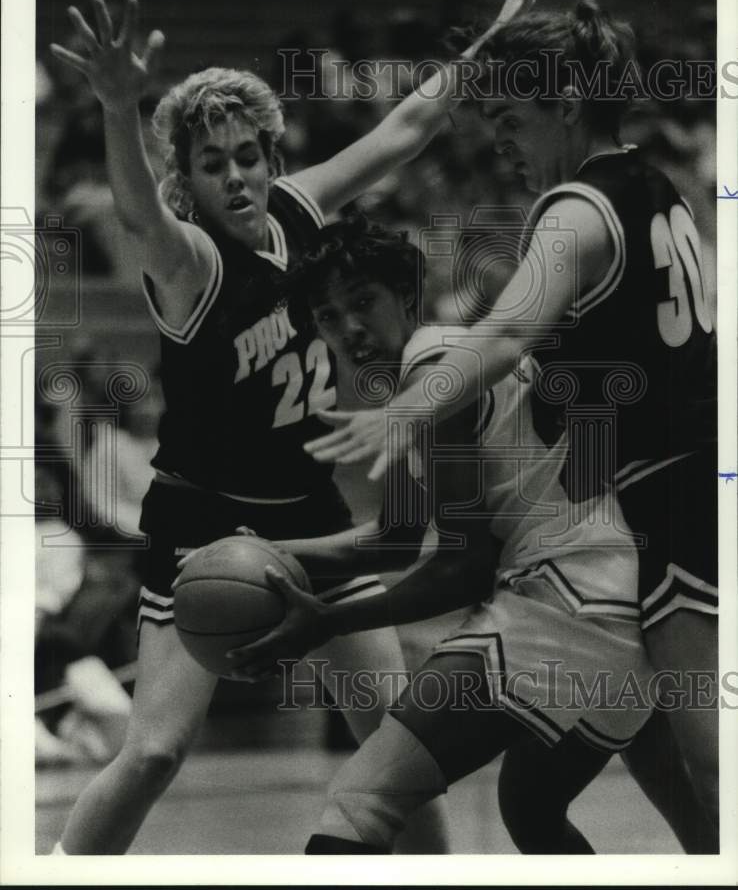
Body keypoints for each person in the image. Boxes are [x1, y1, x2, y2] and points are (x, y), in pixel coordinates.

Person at [46, 0, 542, 855]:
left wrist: (494, 39)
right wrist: (120, 107)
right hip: (203, 528)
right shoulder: (189, 261)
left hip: (308, 519)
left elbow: (408, 127)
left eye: (246, 157)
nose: (233, 178)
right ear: (185, 181)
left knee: (399, 744)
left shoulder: (300, 213)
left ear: (273, 158)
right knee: (153, 752)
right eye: (210, 164)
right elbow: (135, 217)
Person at [298, 0, 719, 833]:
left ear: (565, 104)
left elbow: (510, 327)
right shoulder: (657, 185)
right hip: (669, 497)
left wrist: (406, 408)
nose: (499, 140)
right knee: (637, 789)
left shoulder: (573, 209)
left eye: (510, 118)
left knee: (711, 764)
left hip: (668, 502)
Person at [217, 219, 657, 853]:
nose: (349, 329)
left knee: (360, 798)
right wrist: (266, 554)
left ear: (406, 296)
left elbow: (464, 567)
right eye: (328, 316)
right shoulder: (421, 383)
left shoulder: (433, 364)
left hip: (567, 606)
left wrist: (328, 621)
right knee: (530, 808)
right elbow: (396, 538)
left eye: (363, 301)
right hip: (620, 621)